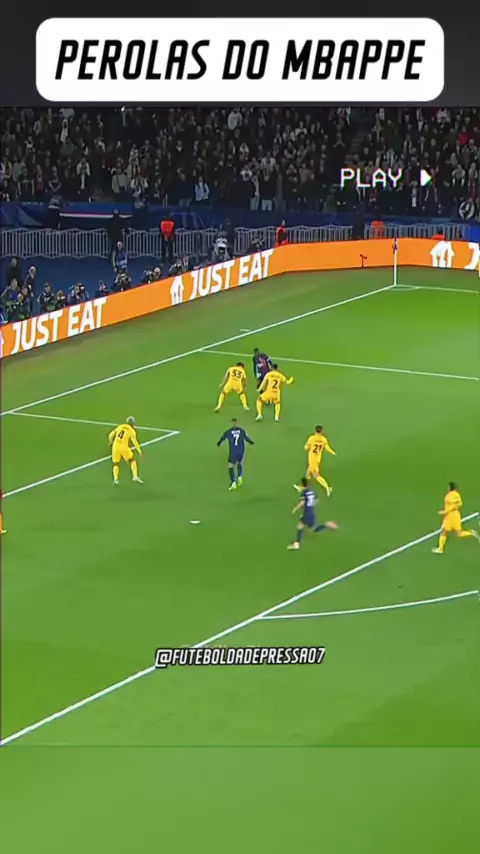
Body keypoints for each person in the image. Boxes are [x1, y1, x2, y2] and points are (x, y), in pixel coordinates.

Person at [288, 478, 338, 550]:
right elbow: (316, 499)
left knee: (301, 526)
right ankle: (327, 525)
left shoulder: (304, 492)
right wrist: (310, 504)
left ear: (302, 484)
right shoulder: (311, 491)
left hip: (307, 513)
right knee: (313, 528)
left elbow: (302, 502)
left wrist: (295, 508)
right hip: (311, 511)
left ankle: (297, 544)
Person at [432, 482, 479, 554]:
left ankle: (440, 549)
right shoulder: (456, 494)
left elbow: (455, 505)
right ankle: (471, 532)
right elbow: (459, 504)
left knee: (449, 532)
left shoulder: (450, 496)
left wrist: (445, 512)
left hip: (450, 516)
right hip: (455, 515)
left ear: (449, 487)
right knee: (454, 532)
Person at [296, 425, 336, 497]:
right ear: (321, 431)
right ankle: (302, 487)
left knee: (316, 475)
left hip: (312, 459)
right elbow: (327, 448)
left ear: (315, 431)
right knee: (308, 473)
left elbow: (306, 448)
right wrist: (333, 452)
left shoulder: (312, 438)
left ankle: (327, 488)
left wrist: (307, 447)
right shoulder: (324, 439)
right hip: (318, 459)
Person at [217, 418, 254, 490]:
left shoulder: (229, 432)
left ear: (231, 423)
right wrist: (252, 443)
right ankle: (240, 477)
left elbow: (222, 438)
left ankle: (233, 482)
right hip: (241, 451)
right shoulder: (242, 431)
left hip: (233, 452)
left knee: (230, 466)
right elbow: (247, 438)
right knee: (239, 463)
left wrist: (219, 443)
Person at [108, 417, 143, 486]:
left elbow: (111, 435)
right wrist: (139, 451)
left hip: (115, 446)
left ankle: (115, 479)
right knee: (132, 460)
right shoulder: (131, 431)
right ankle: (135, 476)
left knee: (116, 463)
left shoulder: (121, 426)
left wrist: (110, 442)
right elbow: (135, 442)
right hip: (124, 447)